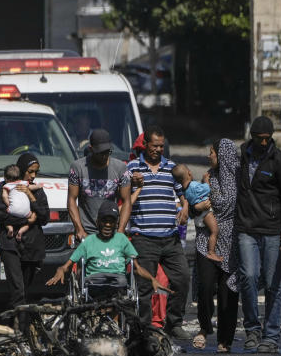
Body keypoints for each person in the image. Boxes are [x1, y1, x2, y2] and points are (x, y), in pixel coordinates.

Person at [236, 116, 281, 353]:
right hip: (246, 228)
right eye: (260, 139)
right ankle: (252, 329)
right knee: (249, 277)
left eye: (267, 139)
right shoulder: (241, 156)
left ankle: (271, 336)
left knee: (273, 283)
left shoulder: (279, 160)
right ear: (252, 137)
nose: (264, 143)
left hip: (273, 230)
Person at [126, 125, 190, 339]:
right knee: (144, 286)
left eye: (161, 146)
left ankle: (174, 323)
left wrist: (185, 208)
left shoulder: (171, 167)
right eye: (154, 146)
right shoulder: (132, 167)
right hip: (143, 237)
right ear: (145, 145)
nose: (158, 150)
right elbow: (122, 193)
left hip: (169, 238)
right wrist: (131, 183)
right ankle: (144, 328)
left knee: (181, 278)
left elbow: (183, 193)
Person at [46, 202, 165, 300]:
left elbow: (137, 268)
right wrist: (60, 270)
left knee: (121, 295)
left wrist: (152, 279)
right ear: (98, 222)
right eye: (104, 220)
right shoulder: (89, 241)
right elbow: (68, 265)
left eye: (111, 221)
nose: (108, 224)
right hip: (94, 282)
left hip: (117, 282)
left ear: (115, 224)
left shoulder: (122, 239)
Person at [192, 139, 241, 352]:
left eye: (212, 152)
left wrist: (207, 189)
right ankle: (204, 327)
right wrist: (197, 206)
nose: (209, 156)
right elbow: (196, 203)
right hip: (206, 240)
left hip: (231, 241)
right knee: (205, 286)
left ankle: (225, 340)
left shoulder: (240, 179)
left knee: (227, 292)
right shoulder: (207, 176)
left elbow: (224, 202)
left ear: (223, 156)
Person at [0, 153, 50, 316]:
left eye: (36, 173)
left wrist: (30, 196)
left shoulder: (36, 191)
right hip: (10, 244)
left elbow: (45, 217)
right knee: (18, 288)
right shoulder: (5, 187)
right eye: (30, 172)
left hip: (31, 247)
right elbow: (1, 214)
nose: (33, 176)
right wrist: (29, 219)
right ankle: (20, 328)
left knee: (25, 287)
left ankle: (16, 322)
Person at [67, 128, 132, 239]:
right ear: (91, 149)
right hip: (86, 231)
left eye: (107, 152)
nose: (104, 156)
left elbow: (127, 201)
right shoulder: (78, 167)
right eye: (100, 153)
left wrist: (121, 230)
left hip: (111, 230)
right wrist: (79, 229)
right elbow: (71, 199)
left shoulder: (120, 168)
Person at [171, 164, 222, 262]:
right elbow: (206, 189)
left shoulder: (184, 190)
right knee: (215, 231)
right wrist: (206, 181)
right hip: (205, 213)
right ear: (189, 173)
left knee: (210, 232)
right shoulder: (193, 185)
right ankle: (211, 252)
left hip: (198, 216)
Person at [1, 164, 34, 240]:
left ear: (5, 178)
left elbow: (4, 196)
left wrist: (9, 205)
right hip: (27, 212)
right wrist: (38, 186)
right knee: (29, 223)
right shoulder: (24, 183)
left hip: (13, 210)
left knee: (6, 222)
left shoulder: (7, 185)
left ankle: (10, 228)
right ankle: (21, 231)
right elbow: (31, 187)